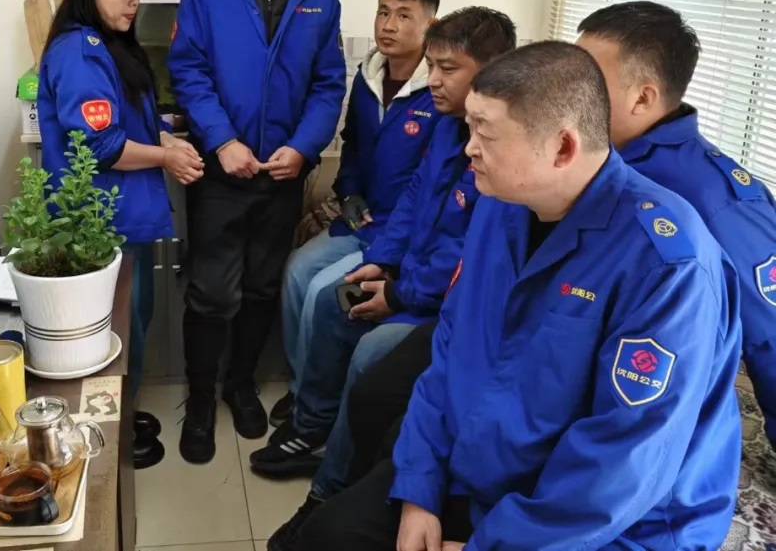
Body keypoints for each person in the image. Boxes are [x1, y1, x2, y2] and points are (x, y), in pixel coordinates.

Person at [299, 41, 742, 551]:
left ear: (562, 148)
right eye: (469, 128)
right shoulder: (501, 204)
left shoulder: (667, 265)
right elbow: (451, 351)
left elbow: (623, 462)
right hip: (490, 471)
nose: (469, 149)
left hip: (602, 526)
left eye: (484, 133)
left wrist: (493, 546)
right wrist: (420, 488)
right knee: (326, 535)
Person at [261, 8, 517, 551]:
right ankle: (313, 425)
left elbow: (466, 257)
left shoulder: (505, 149)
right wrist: (380, 261)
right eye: (432, 66)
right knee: (335, 300)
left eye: (448, 68)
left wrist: (400, 294)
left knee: (372, 355)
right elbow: (412, 204)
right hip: (410, 275)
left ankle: (330, 490)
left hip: (438, 303)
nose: (435, 80)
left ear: (493, 71)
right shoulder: (448, 128)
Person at [168, 0, 347, 463]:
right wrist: (222, 141)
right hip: (222, 172)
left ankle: (239, 384)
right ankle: (199, 398)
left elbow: (328, 84)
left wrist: (304, 147)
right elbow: (188, 70)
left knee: (262, 288)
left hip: (283, 173)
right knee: (212, 292)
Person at [38, 0, 205, 469]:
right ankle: (104, 437)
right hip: (100, 225)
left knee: (133, 323)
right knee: (111, 335)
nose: (134, 2)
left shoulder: (107, 43)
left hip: (127, 218)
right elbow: (102, 146)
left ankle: (122, 413)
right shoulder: (79, 53)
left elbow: (129, 118)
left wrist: (165, 134)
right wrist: (166, 157)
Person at [577, 1, 776, 451]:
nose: (567, 89)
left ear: (643, 98)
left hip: (649, 414)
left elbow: (771, 332)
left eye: (587, 80)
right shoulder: (589, 157)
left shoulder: (715, 199)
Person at [272, 0, 442, 429]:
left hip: (397, 232)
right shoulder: (367, 77)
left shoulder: (438, 93)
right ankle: (301, 386)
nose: (388, 25)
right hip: (361, 217)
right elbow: (352, 144)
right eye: (383, 12)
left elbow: (429, 185)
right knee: (296, 272)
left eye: (404, 15)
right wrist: (347, 191)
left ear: (429, 25)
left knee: (324, 294)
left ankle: (317, 404)